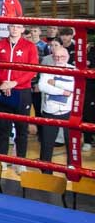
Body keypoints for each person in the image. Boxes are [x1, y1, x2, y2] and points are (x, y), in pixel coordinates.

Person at [0, 24, 39, 174]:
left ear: (23, 29)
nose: (15, 29)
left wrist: (15, 83)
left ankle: (21, 161)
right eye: (12, 26)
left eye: (18, 27)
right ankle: (2, 160)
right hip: (2, 89)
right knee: (3, 129)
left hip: (22, 91)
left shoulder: (30, 46)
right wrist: (4, 82)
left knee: (21, 129)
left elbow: (33, 69)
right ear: (8, 28)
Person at [37, 43, 74, 174]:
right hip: (50, 111)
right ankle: (46, 173)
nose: (59, 59)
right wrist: (63, 91)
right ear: (53, 57)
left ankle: (72, 171)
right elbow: (42, 86)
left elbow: (74, 87)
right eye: (56, 57)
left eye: (62, 57)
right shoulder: (47, 69)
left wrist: (56, 83)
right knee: (47, 143)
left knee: (71, 143)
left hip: (68, 111)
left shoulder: (73, 70)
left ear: (67, 57)